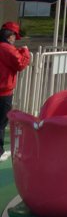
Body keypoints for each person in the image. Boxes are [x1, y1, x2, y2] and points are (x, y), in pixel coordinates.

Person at [0, 21, 31, 161]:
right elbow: (20, 64)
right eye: (14, 37)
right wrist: (25, 51)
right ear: (10, 35)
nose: (14, 40)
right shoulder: (7, 49)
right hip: (4, 91)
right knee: (1, 122)